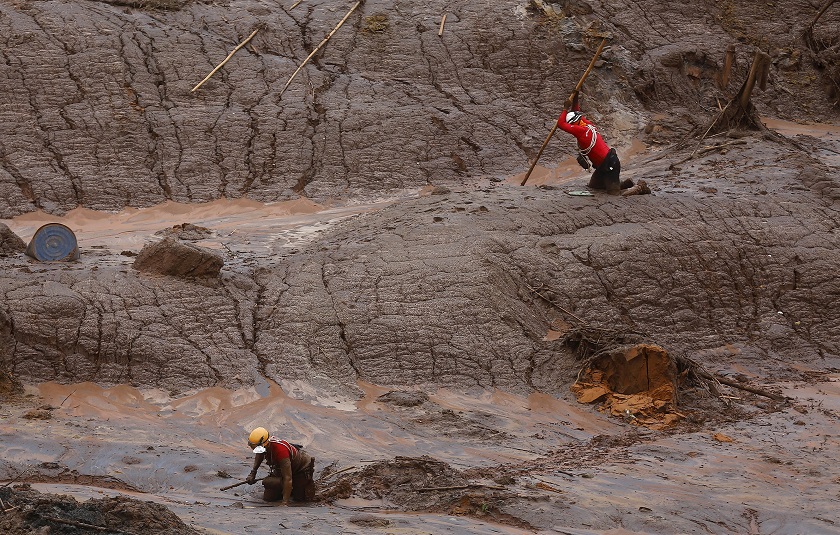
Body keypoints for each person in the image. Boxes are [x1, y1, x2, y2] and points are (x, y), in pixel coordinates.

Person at [557, 91, 621, 193]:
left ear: (574, 122)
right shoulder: (587, 124)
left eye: (571, 124)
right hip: (602, 165)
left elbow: (560, 124)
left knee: (613, 193)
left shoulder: (581, 131)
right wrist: (575, 99)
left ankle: (639, 189)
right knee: (595, 187)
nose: (571, 127)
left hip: (610, 163)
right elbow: (575, 112)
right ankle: (626, 184)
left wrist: (565, 109)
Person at [245, 427, 316, 504]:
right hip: (280, 468)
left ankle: (293, 488)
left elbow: (288, 478)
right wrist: (253, 473)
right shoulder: (263, 448)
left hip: (300, 469)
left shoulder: (281, 451)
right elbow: (260, 455)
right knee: (269, 498)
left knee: (299, 500)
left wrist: (285, 502)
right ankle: (287, 489)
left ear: (266, 445)